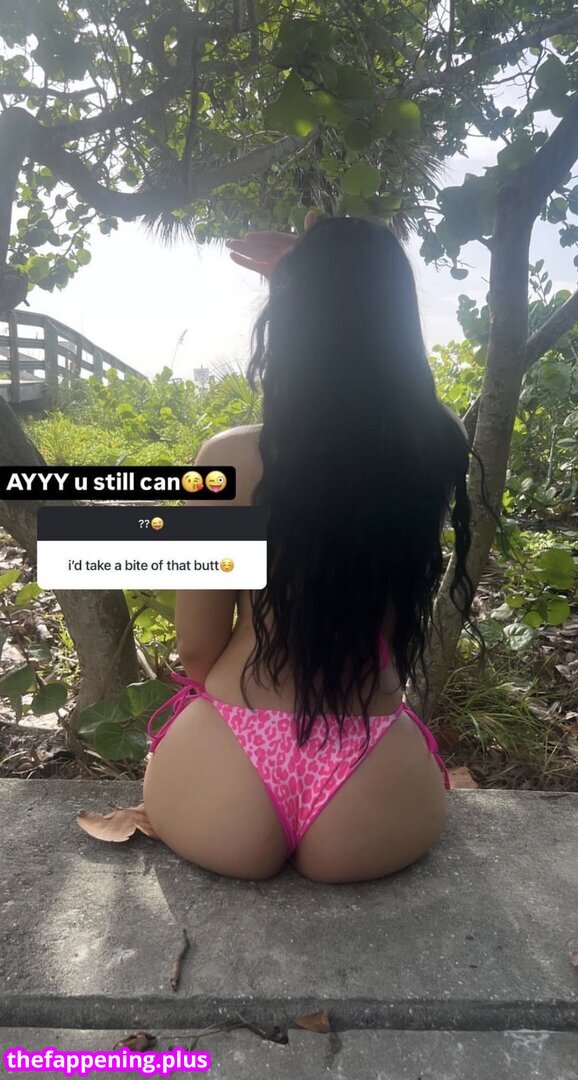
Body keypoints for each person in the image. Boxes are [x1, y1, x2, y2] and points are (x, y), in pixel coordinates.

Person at [143, 213, 487, 884]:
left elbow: (198, 649)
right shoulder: (435, 445)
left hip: (232, 756)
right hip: (374, 768)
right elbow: (361, 320)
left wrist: (306, 277)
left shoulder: (228, 459)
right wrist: (337, 274)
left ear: (289, 324)